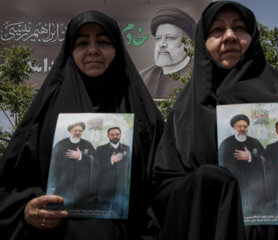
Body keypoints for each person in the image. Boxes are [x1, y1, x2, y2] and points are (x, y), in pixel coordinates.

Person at [151, 1, 278, 240]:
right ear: (202, 42)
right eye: (217, 30)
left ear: (253, 38)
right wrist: (200, 182)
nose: (229, 36)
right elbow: (161, 189)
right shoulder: (185, 113)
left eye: (239, 28)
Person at [0, 10, 164, 240]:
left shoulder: (142, 114)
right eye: (82, 42)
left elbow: (162, 187)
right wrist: (28, 209)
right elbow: (9, 185)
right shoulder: (46, 113)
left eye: (103, 42)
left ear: (117, 49)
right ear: (70, 50)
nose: (93, 50)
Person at [140, 7, 196, 99]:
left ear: (187, 44)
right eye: (158, 38)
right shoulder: (142, 78)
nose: (162, 44)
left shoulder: (200, 76)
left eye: (170, 38)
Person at [219, 114, 268, 217]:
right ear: (234, 127)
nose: (242, 129)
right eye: (239, 126)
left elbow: (266, 160)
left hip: (255, 189)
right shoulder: (226, 144)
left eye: (245, 126)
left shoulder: (255, 142)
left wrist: (250, 156)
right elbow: (221, 166)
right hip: (235, 187)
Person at [47, 121, 96, 209]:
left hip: (82, 188)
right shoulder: (60, 145)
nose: (78, 133)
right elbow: (53, 167)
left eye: (80, 131)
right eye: (75, 130)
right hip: (63, 186)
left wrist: (81, 156)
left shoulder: (87, 144)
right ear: (69, 131)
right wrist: (52, 186)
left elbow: (96, 161)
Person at [95, 127, 131, 215]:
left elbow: (129, 167)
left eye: (117, 134)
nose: (115, 136)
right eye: (112, 134)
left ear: (120, 135)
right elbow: (96, 168)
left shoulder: (127, 148)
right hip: (105, 190)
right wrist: (110, 161)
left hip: (122, 190)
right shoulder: (100, 149)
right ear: (108, 136)